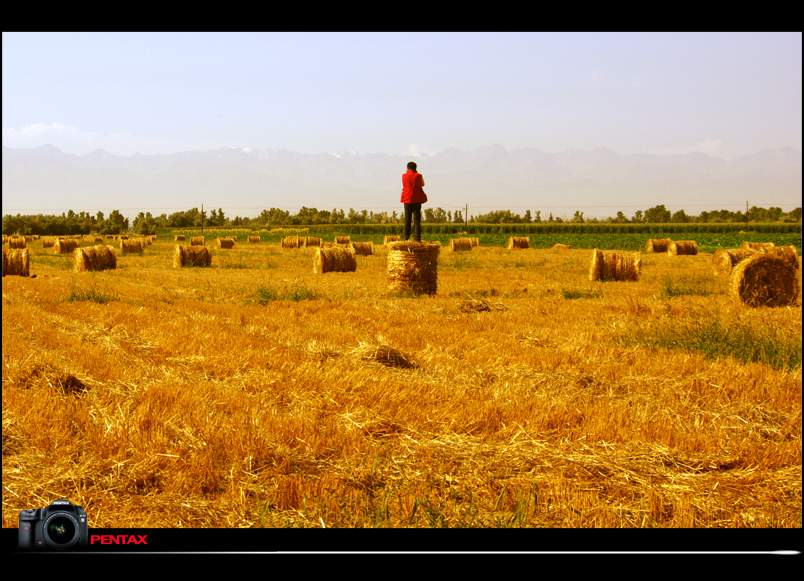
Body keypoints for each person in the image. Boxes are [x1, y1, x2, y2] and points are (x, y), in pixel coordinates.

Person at [400, 161, 427, 242]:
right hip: (417, 200)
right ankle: (417, 239)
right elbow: (423, 184)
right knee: (417, 221)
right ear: (416, 168)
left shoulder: (404, 176)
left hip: (407, 200)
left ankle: (406, 238)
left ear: (407, 168)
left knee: (407, 220)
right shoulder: (418, 175)